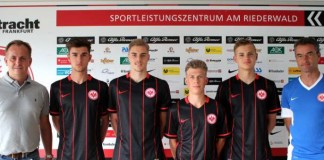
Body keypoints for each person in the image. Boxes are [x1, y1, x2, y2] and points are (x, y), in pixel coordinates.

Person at [216, 39, 281, 160]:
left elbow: (272, 120)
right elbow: (221, 122)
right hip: (232, 152)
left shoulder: (268, 85)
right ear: (235, 58)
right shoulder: (225, 86)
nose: (246, 57)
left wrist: (257, 137)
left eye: (250, 54)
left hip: (261, 152)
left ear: (256, 56)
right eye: (241, 54)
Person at [108, 39, 171, 160]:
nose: (138, 59)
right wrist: (124, 140)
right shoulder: (115, 84)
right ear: (128, 57)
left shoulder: (160, 85)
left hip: (152, 151)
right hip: (123, 152)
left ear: (148, 57)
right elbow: (114, 119)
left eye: (143, 55)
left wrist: (153, 140)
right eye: (134, 55)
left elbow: (163, 120)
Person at [49, 38, 109, 160]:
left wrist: (96, 141)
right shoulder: (57, 87)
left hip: (94, 153)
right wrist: (68, 138)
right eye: (75, 55)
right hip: (66, 152)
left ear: (89, 57)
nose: (79, 60)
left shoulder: (100, 87)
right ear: (68, 57)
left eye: (83, 55)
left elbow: (105, 118)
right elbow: (55, 117)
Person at [164, 59, 231, 160]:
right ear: (186, 80)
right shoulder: (175, 109)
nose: (196, 80)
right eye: (192, 77)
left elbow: (222, 138)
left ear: (206, 80)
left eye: (200, 76)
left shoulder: (217, 108)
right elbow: (172, 140)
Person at [0, 40, 53, 159]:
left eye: (23, 58)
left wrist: (49, 154)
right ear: (5, 60)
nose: (18, 62)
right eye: (13, 58)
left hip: (32, 156)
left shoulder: (41, 90)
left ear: (30, 61)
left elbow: (45, 125)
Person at [281, 37, 324, 160]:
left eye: (309, 54)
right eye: (299, 56)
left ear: (318, 55)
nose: (304, 60)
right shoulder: (288, 89)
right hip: (298, 156)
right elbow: (290, 125)